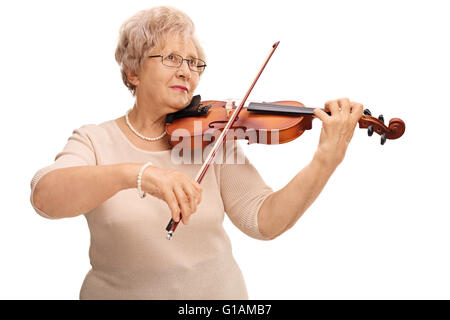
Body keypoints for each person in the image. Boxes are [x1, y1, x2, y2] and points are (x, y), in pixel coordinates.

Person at [30, 6, 364, 300]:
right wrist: (141, 175)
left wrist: (326, 159)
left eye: (193, 62)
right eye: (171, 58)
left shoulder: (209, 139)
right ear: (133, 71)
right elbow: (45, 197)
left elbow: (264, 220)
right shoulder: (95, 140)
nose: (186, 71)